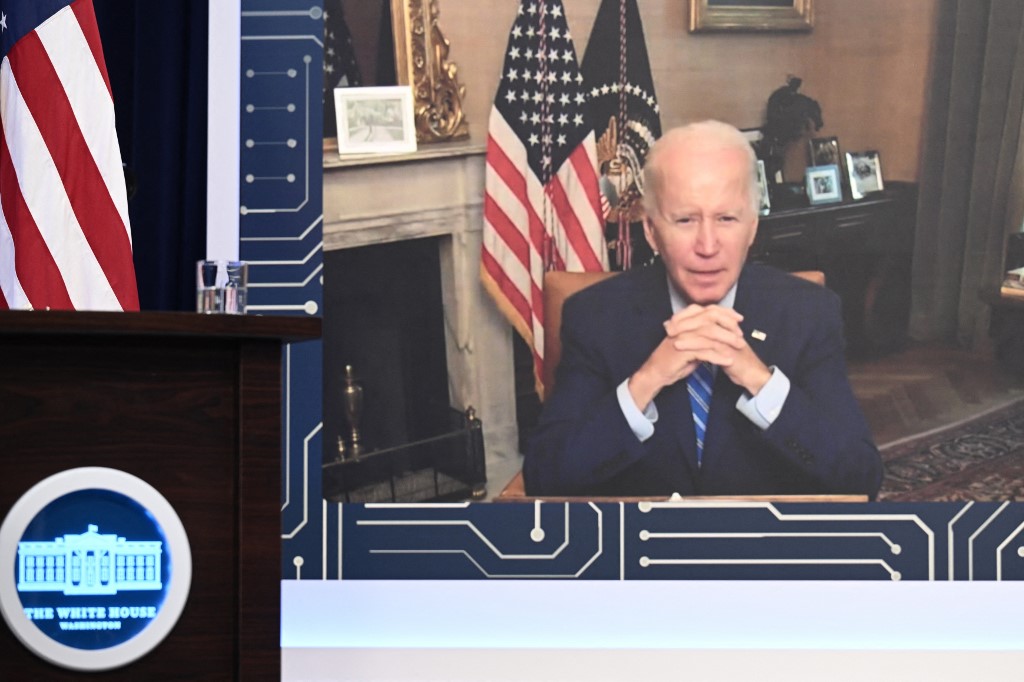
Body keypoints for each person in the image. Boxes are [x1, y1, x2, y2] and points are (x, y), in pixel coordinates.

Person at [523, 120, 882, 498]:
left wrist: (760, 381)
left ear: (752, 228)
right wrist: (647, 380)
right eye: (685, 220)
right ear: (651, 231)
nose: (707, 246)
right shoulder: (595, 317)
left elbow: (859, 477)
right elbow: (547, 478)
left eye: (726, 219)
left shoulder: (808, 313)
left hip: (762, 547)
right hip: (641, 546)